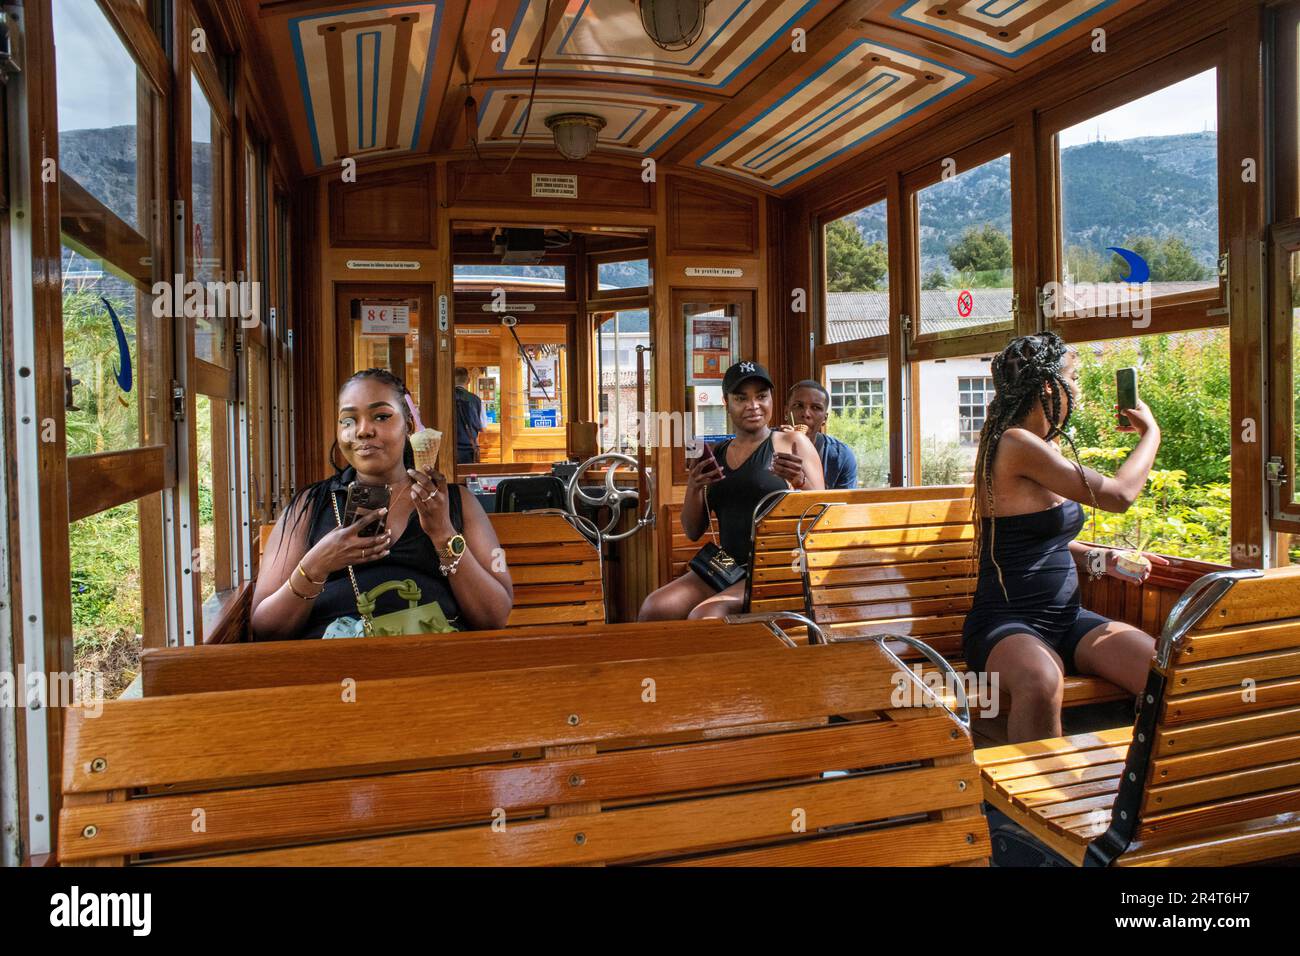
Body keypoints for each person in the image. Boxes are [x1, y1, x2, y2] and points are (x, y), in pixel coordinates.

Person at [964, 332, 1166, 742]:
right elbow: (1118, 496)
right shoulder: (1014, 443)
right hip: (1007, 624)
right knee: (1041, 681)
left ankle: (1145, 791)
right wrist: (1151, 434)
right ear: (1048, 386)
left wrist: (1101, 560)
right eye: (1073, 377)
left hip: (1068, 620)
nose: (1078, 388)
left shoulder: (1043, 445)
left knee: (1161, 669)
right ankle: (1038, 800)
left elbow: (1038, 540)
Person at [250, 368, 513, 640]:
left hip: (434, 662)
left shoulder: (455, 502)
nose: (363, 430)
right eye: (348, 420)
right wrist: (317, 565)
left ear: (409, 425)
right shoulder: (312, 505)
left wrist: (443, 534)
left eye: (381, 416)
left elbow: (494, 617)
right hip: (334, 666)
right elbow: (266, 627)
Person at [638, 361, 825, 622]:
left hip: (780, 567)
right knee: (655, 607)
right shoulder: (718, 454)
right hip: (726, 565)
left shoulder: (792, 442)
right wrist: (694, 487)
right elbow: (693, 531)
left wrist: (800, 481)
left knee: (707, 615)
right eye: (741, 398)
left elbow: (824, 514)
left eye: (761, 396)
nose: (753, 405)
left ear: (771, 399)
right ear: (726, 402)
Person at [783, 379, 858, 489]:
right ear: (786, 412)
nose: (806, 414)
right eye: (798, 405)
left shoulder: (840, 456)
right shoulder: (766, 445)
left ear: (824, 419)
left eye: (815, 408)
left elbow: (843, 504)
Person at [453, 367, 486, 464]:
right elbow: (483, 428)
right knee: (468, 477)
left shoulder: (445, 398)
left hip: (447, 448)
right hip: (468, 449)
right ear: (468, 380)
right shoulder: (476, 400)